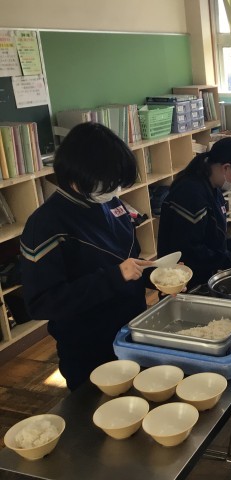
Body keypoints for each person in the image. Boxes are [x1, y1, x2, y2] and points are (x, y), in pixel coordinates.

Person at [19, 122, 153, 391]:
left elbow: (128, 260)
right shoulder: (45, 225)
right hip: (89, 346)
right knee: (98, 410)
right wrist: (115, 276)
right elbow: (43, 302)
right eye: (109, 181)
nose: (115, 190)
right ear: (77, 174)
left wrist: (156, 274)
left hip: (131, 330)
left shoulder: (108, 202)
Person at [157, 136, 231, 288]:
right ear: (226, 167)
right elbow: (190, 251)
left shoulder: (213, 189)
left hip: (204, 275)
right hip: (183, 282)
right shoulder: (190, 194)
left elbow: (215, 238)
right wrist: (229, 260)